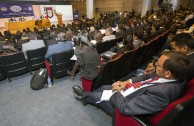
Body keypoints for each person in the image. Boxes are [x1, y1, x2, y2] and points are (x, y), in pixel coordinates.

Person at [72, 51, 190, 117]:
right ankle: (89, 96)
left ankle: (84, 96)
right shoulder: (170, 77)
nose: (155, 66)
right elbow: (146, 76)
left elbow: (126, 108)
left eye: (158, 65)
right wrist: (125, 82)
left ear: (168, 73)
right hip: (131, 90)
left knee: (98, 95)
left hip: (126, 101)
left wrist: (116, 92)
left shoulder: (161, 94)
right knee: (103, 87)